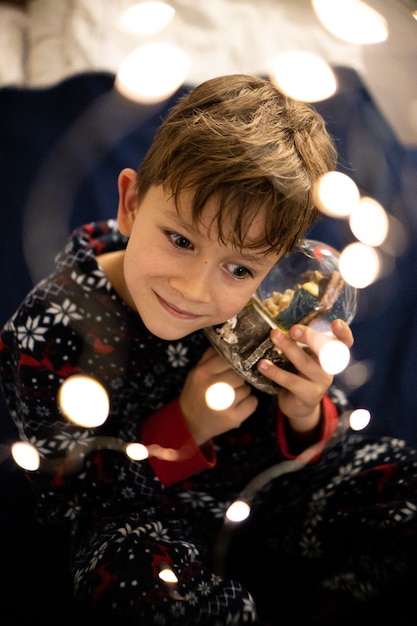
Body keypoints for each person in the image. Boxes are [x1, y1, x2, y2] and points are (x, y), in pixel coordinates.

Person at [0, 74, 416, 626]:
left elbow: (305, 451)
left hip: (265, 505)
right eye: (180, 240)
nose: (195, 290)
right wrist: (185, 428)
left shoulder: (269, 300)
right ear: (130, 203)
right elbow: (68, 502)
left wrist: (304, 411)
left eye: (239, 268)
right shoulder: (49, 329)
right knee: (139, 587)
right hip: (137, 525)